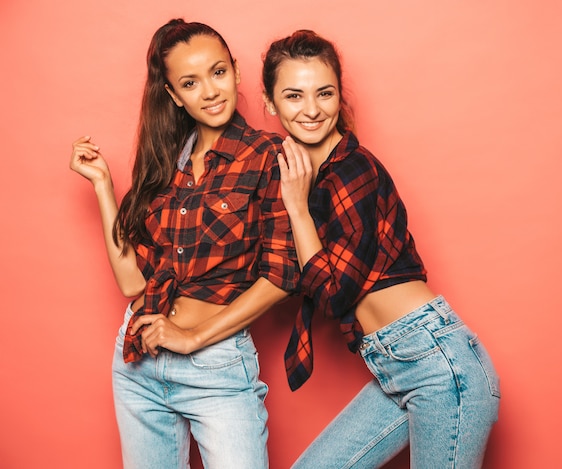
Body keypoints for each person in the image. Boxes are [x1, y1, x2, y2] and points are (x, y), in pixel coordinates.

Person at [262, 30, 500, 468]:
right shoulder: (304, 174)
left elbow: (333, 296)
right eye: (294, 96)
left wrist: (295, 207)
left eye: (324, 93)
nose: (312, 110)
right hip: (396, 365)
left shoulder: (353, 171)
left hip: (437, 364)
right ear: (270, 103)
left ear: (340, 97)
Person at [69, 19, 298, 469]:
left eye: (218, 73)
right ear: (173, 94)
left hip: (215, 365)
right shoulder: (164, 162)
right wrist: (102, 186)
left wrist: (193, 338)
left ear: (234, 70)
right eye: (190, 83)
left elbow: (282, 278)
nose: (210, 92)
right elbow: (133, 283)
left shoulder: (269, 156)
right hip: (138, 363)